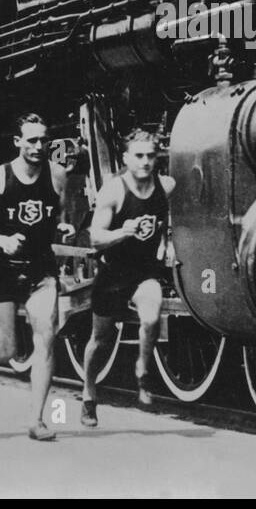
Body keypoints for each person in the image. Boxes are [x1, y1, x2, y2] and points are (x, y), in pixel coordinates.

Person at [0, 113, 71, 441]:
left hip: (40, 269)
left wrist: (61, 226)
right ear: (17, 142)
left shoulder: (57, 175)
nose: (38, 146)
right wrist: (1, 240)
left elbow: (56, 213)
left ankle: (38, 420)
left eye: (43, 139)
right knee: (6, 353)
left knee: (46, 338)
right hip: (2, 269)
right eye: (31, 140)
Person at [81, 129, 175, 426]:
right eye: (139, 156)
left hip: (144, 270)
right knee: (100, 340)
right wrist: (123, 232)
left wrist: (169, 243)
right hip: (113, 273)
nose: (146, 162)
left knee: (151, 316)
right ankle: (88, 392)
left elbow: (171, 219)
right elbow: (95, 238)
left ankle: (142, 373)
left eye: (151, 155)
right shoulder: (114, 190)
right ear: (125, 158)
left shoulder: (167, 186)